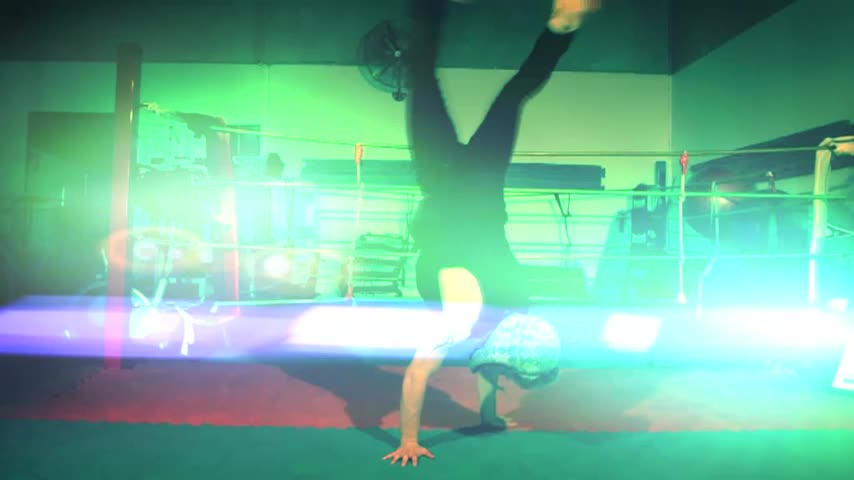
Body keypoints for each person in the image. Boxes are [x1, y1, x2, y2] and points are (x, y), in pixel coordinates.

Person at [383, 0, 599, 467]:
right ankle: (558, 28)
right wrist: (408, 440)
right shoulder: (482, 315)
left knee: (439, 85)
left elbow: (480, 359)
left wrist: (487, 417)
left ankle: (437, 11)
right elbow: (421, 373)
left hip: (454, 184)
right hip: (465, 188)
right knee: (494, 94)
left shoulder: (501, 314)